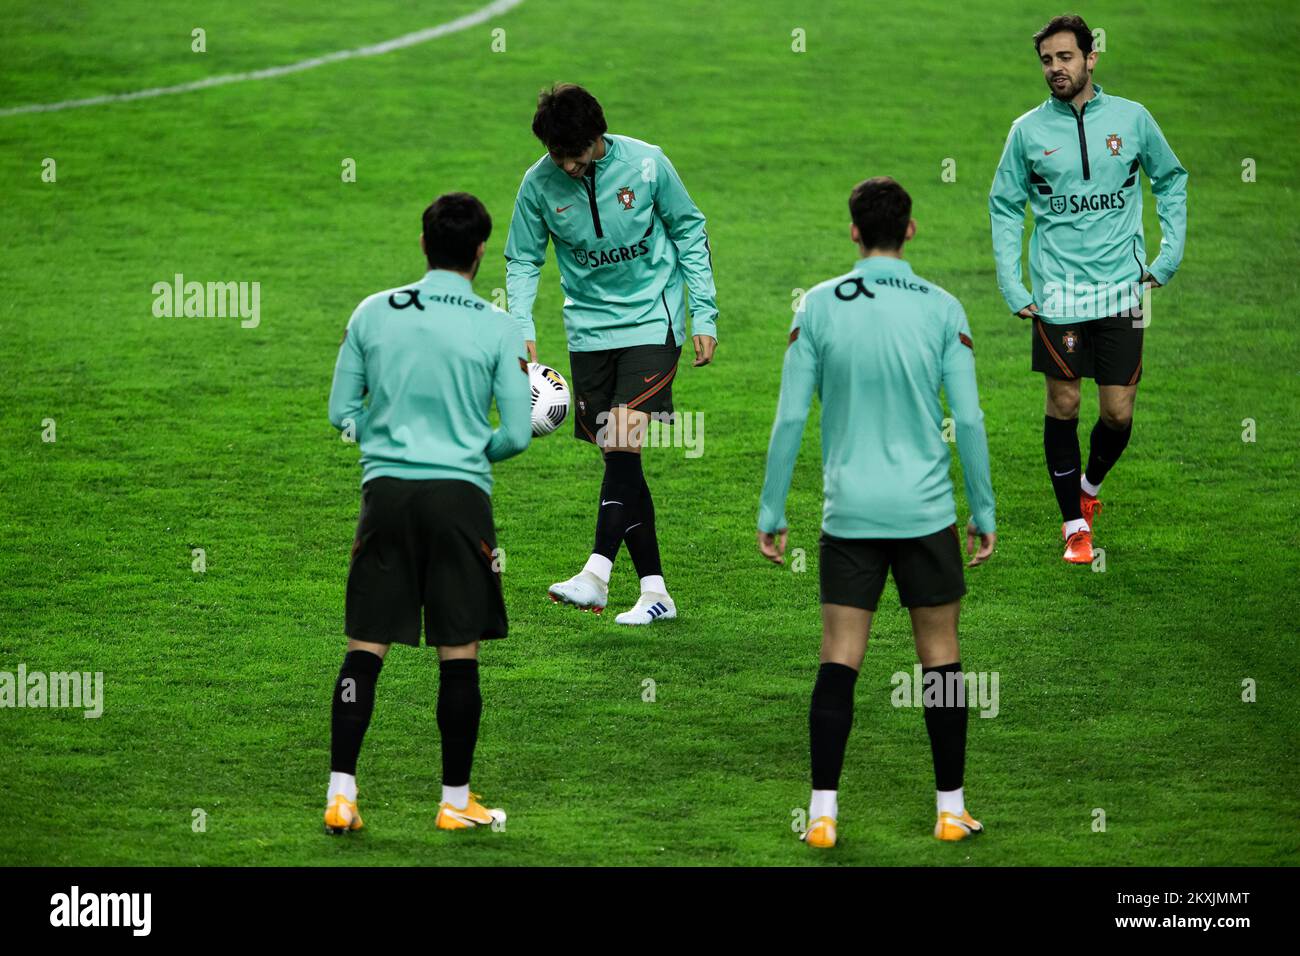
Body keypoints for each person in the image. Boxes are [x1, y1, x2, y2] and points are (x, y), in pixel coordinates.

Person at [757, 177, 997, 848]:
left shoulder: (818, 307)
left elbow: (789, 417)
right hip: (925, 513)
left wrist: (773, 508)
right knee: (942, 660)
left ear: (854, 232)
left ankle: (824, 814)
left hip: (850, 515)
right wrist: (982, 507)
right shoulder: (944, 308)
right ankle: (951, 808)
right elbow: (969, 418)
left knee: (840, 659)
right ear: (911, 230)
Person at [324, 193, 531, 834]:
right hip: (458, 500)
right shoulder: (496, 326)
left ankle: (341, 792)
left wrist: (386, 443)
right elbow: (517, 434)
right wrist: (472, 450)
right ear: (479, 253)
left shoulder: (373, 312)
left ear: (423, 244)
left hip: (384, 496)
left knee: (365, 648)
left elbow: (341, 413)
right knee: (458, 651)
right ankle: (454, 801)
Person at [504, 83, 718, 625]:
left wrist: (705, 314)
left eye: (574, 156)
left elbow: (690, 230)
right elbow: (523, 259)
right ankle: (655, 593)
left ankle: (596, 573)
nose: (567, 167)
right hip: (590, 333)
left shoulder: (648, 165)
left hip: (654, 320)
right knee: (621, 461)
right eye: (557, 157)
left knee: (622, 438)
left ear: (598, 137)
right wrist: (520, 324)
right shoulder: (537, 185)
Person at [989, 13, 1188, 563]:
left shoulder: (1133, 119)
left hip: (1123, 289)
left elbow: (1170, 179)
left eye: (1065, 57)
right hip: (1058, 291)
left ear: (1090, 56)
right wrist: (1013, 281)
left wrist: (1167, 256)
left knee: (1119, 414)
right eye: (1047, 60)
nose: (1055, 68)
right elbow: (1004, 205)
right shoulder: (1026, 131)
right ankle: (1074, 526)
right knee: (1064, 400)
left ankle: (1089, 490)